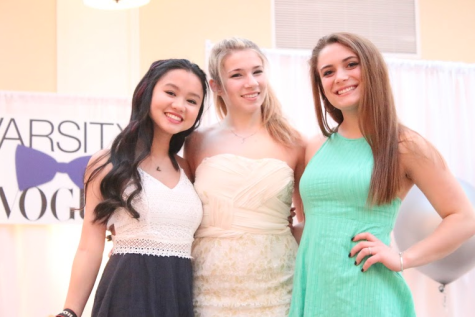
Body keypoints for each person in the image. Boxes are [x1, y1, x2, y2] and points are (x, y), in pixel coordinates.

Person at [289, 32, 475, 316]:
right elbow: (322, 226)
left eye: (351, 64)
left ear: (372, 68)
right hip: (315, 293)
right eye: (328, 72)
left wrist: (403, 258)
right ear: (321, 85)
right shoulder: (315, 147)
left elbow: (464, 218)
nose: (339, 77)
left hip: (368, 296)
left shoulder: (403, 145)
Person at [56, 59, 208, 317]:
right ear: (147, 92)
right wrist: (70, 312)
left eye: (192, 101)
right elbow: (89, 246)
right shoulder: (107, 163)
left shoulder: (190, 169)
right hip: (127, 296)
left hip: (179, 296)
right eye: (170, 92)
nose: (179, 105)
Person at [184, 37, 305, 316]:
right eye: (237, 75)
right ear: (216, 86)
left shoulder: (295, 142)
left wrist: (272, 226)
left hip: (276, 287)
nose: (251, 82)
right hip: (209, 286)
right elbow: (185, 213)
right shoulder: (195, 142)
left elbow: (308, 221)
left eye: (257, 71)